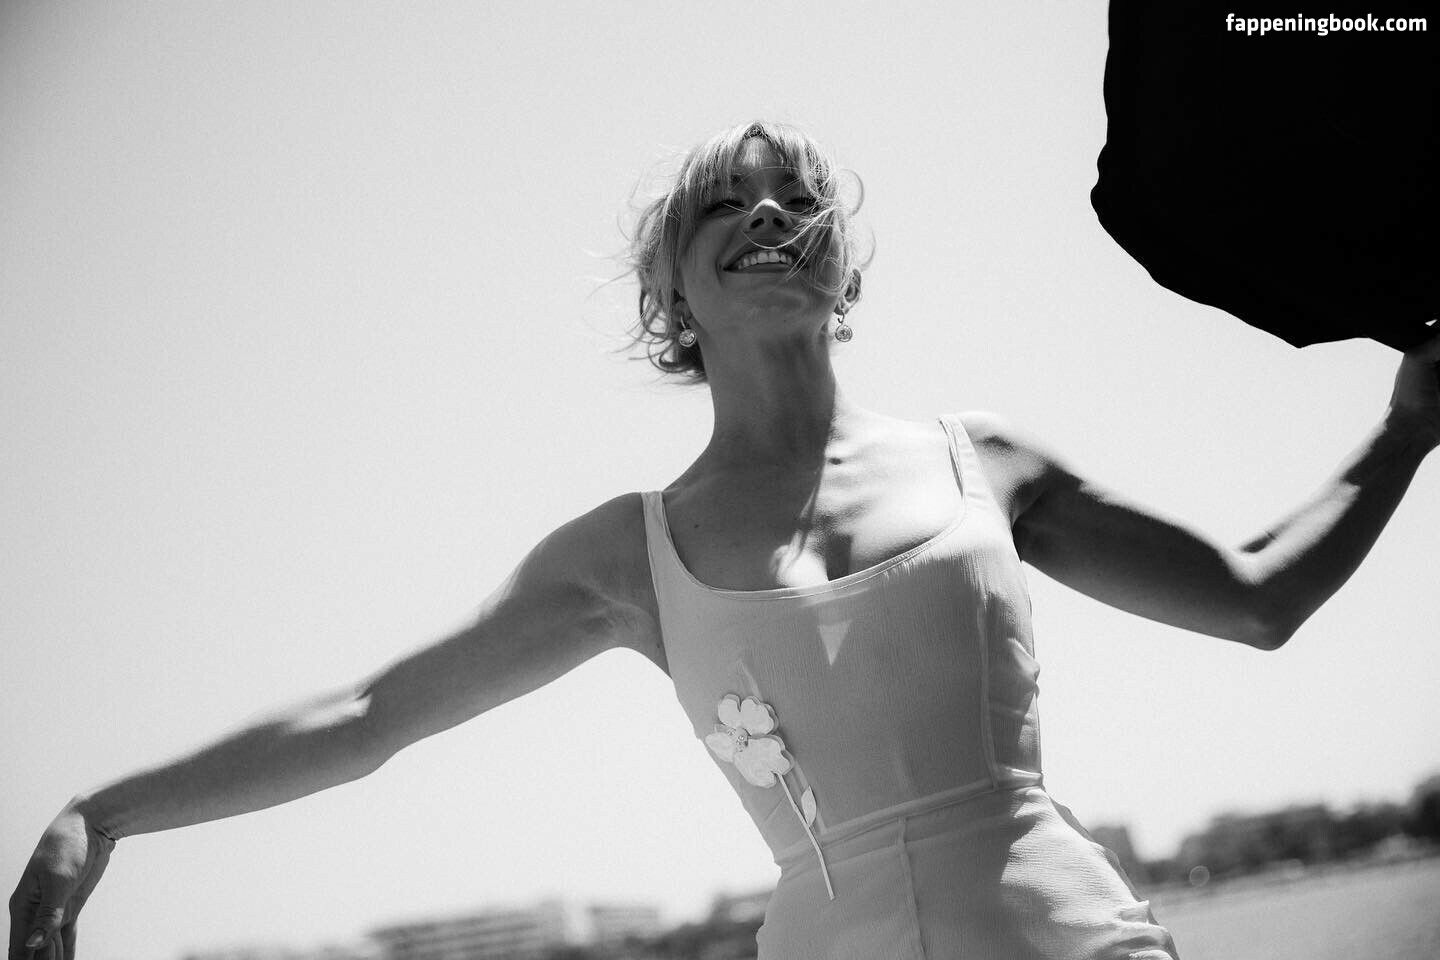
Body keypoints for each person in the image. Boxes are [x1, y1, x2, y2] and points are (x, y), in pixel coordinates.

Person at [9, 120, 1439, 960]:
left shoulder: (981, 463)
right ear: (672, 294)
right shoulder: (625, 556)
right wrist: (102, 813)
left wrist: (1406, 431)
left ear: (840, 268)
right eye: (722, 202)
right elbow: (370, 716)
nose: (768, 211)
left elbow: (1258, 598)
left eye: (797, 197)